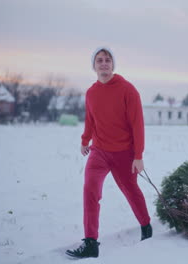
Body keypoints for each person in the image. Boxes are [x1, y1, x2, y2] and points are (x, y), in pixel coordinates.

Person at [66, 47, 152, 259]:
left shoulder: (128, 90)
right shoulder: (91, 92)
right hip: (99, 152)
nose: (103, 63)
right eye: (99, 60)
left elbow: (137, 125)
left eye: (107, 60)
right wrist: (85, 140)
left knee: (131, 191)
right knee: (90, 190)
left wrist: (138, 156)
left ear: (113, 64)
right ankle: (91, 243)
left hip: (124, 153)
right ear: (94, 66)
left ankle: (146, 228)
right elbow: (90, 119)